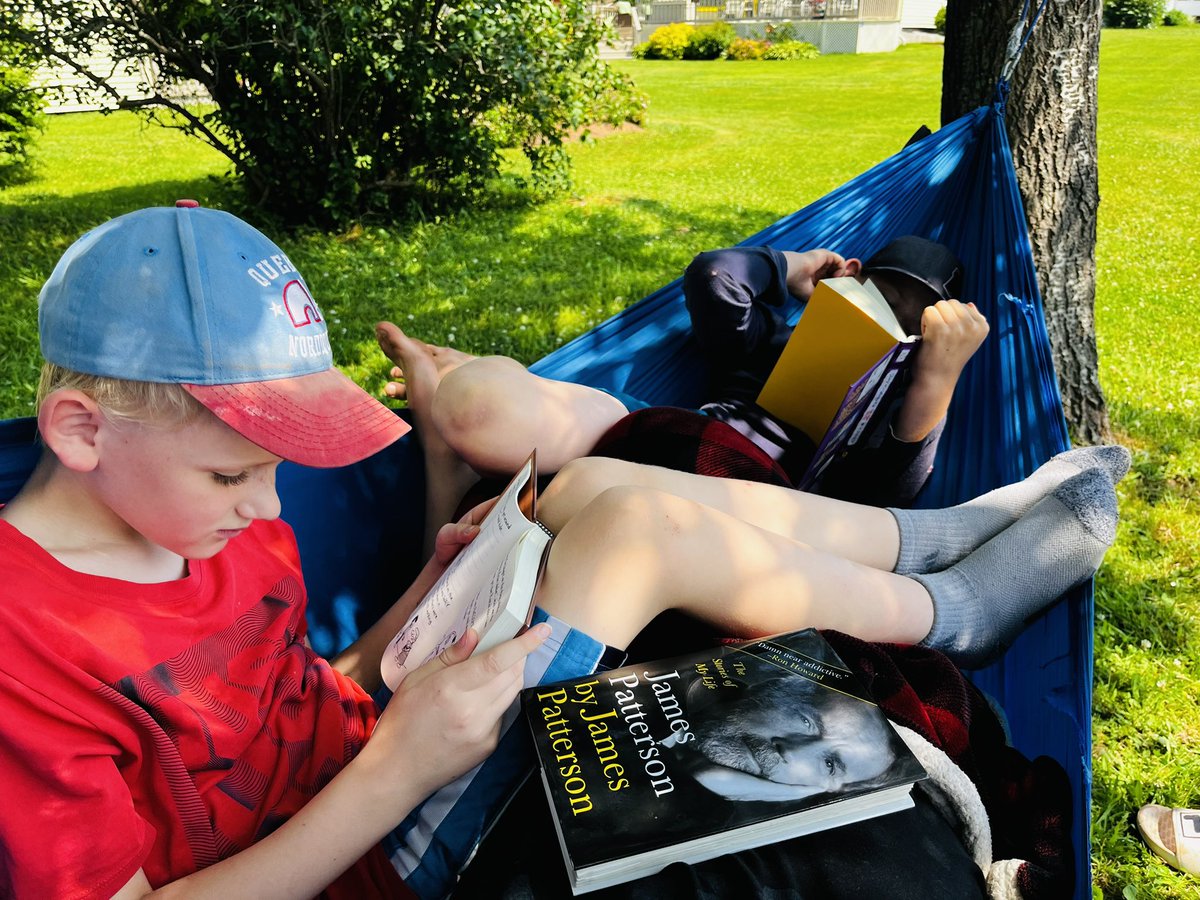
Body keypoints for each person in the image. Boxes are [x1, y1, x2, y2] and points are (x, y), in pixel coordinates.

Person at [0, 204, 1123, 899]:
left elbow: (300, 695)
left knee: (584, 490)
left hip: (389, 747)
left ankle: (950, 544)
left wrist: (432, 584)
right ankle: (957, 599)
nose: (271, 503)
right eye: (235, 473)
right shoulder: (25, 650)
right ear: (81, 432)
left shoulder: (207, 524)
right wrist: (399, 766)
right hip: (365, 858)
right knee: (632, 534)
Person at [377, 236, 987, 543]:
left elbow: (891, 502)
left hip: (751, 506)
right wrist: (792, 266)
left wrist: (936, 378)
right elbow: (715, 277)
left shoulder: (895, 417)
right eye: (881, 300)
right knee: (481, 408)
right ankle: (480, 392)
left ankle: (464, 427)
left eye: (914, 325)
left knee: (506, 520)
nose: (891, 324)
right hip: (668, 432)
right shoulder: (772, 340)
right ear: (854, 281)